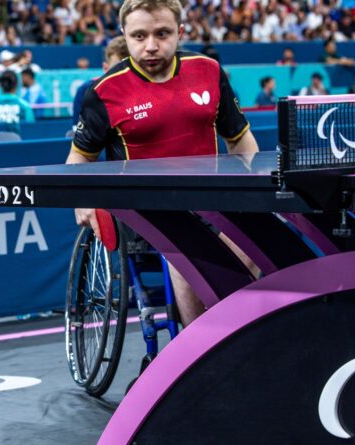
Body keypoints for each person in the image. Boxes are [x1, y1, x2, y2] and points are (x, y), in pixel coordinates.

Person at [68, 0, 259, 327]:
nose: (152, 46)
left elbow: (240, 139)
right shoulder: (104, 92)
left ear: (180, 32)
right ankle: (201, 344)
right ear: (124, 36)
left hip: (211, 202)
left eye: (163, 33)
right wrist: (83, 200)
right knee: (188, 250)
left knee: (260, 241)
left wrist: (256, 190)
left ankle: (228, 331)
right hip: (145, 214)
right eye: (139, 36)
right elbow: (79, 158)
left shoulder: (209, 71)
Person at [72, 36, 129, 128]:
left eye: (129, 68)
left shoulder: (146, 88)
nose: (124, 74)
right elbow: (78, 133)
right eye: (118, 69)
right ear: (105, 68)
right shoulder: (86, 90)